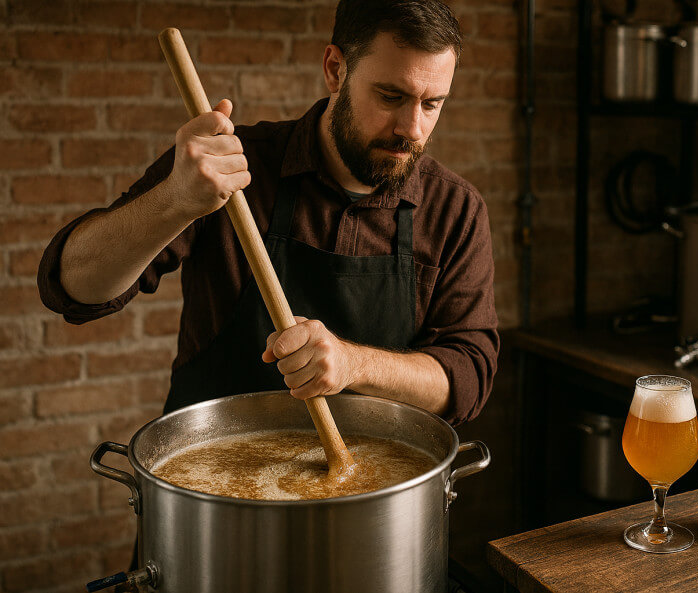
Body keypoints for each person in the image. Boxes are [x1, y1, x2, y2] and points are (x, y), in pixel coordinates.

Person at [38, 0, 498, 426]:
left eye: (432, 104)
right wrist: (173, 201)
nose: (411, 129)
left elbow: (468, 377)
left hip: (373, 494)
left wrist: (353, 364)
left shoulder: (454, 209)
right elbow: (72, 289)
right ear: (335, 69)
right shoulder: (226, 168)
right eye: (391, 96)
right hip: (215, 487)